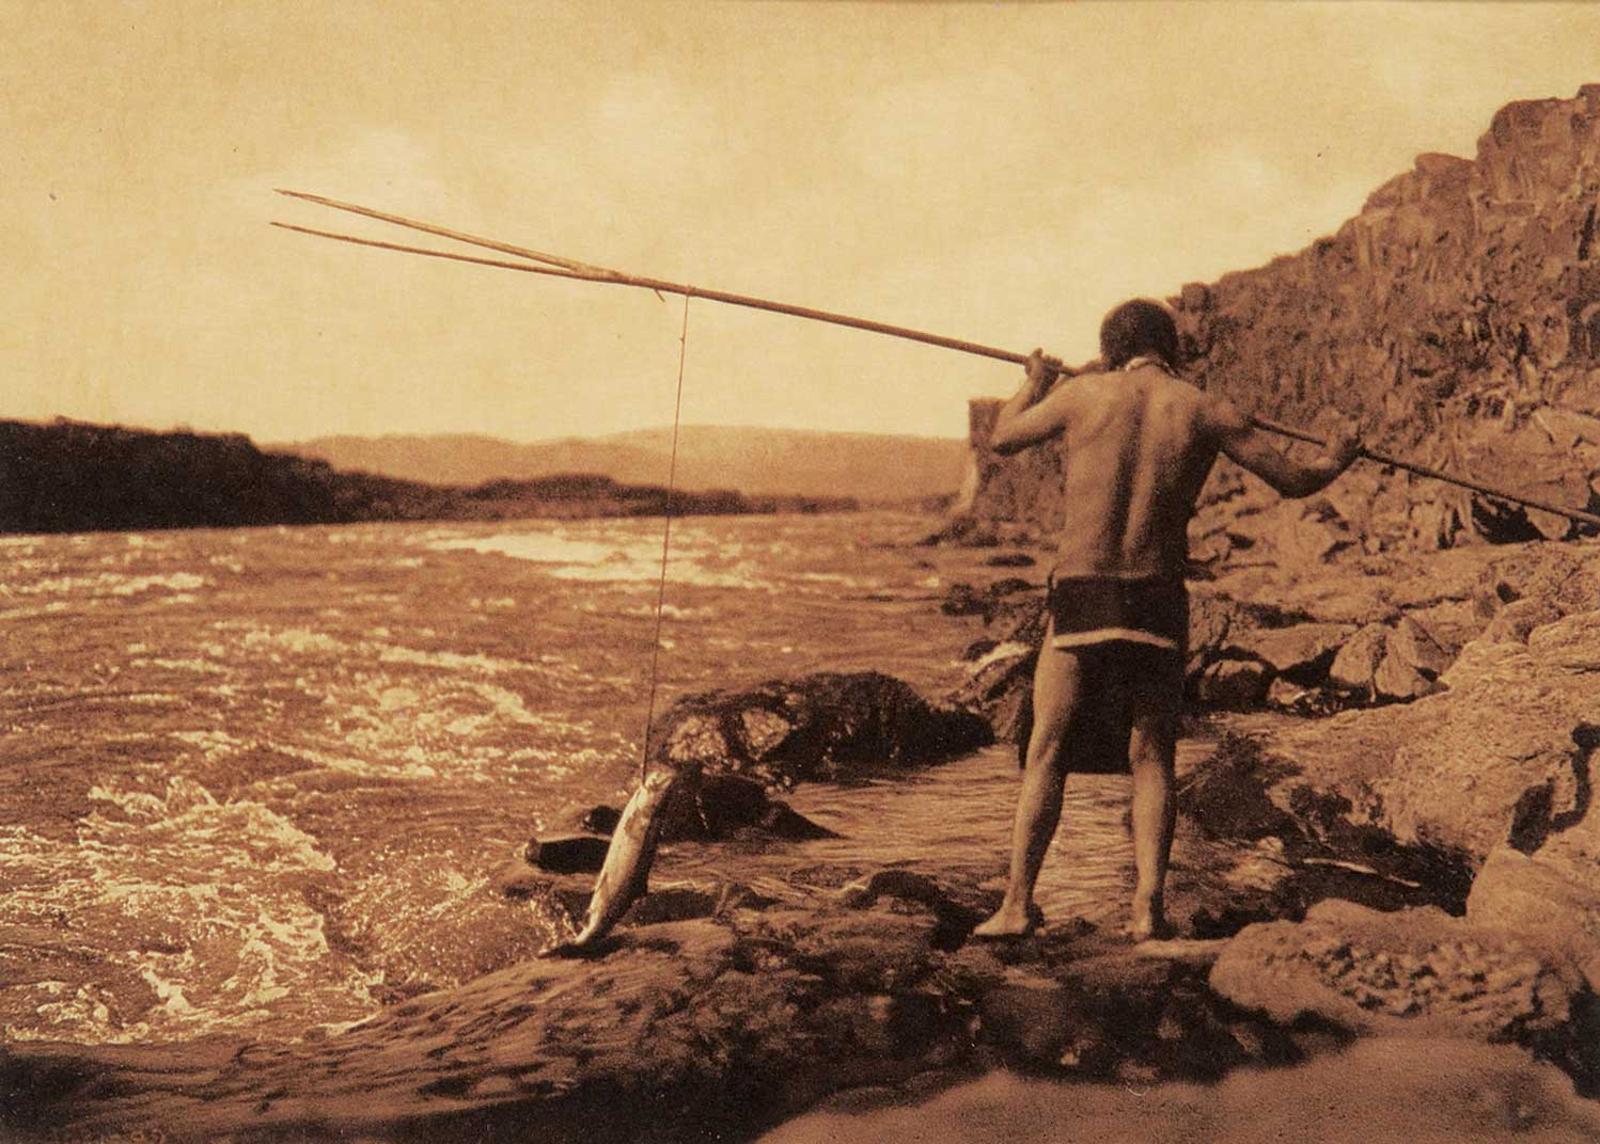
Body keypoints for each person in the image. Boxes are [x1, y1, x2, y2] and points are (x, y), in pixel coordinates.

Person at [970, 298, 1362, 941]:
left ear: (1110, 349)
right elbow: (1294, 481)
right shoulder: (1206, 408)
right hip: (1155, 595)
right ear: (1169, 347)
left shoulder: (1080, 396)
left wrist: (1032, 382)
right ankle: (1148, 908)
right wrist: (1339, 456)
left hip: (1082, 590)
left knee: (1047, 751)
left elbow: (1004, 436)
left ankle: (1016, 905)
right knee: (1152, 757)